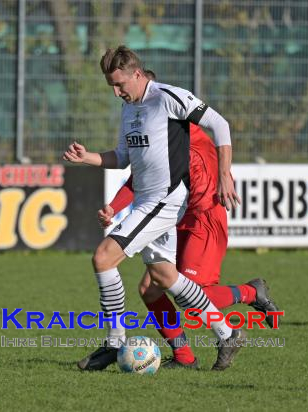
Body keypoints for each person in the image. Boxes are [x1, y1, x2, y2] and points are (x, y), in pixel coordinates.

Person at [63, 45, 243, 371]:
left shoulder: (168, 97)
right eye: (112, 87)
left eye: (120, 85)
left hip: (165, 199)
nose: (117, 92)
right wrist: (87, 157)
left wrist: (224, 175)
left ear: (136, 73)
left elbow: (221, 125)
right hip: (147, 199)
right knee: (163, 277)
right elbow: (122, 157)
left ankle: (114, 342)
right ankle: (227, 332)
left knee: (103, 257)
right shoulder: (129, 109)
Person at [99, 116, 280, 369]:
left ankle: (250, 292)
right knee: (151, 290)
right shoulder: (158, 131)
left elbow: (221, 128)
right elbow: (141, 178)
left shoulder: (174, 130)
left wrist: (224, 173)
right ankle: (185, 358)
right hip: (176, 215)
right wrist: (112, 207)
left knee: (193, 297)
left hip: (204, 216)